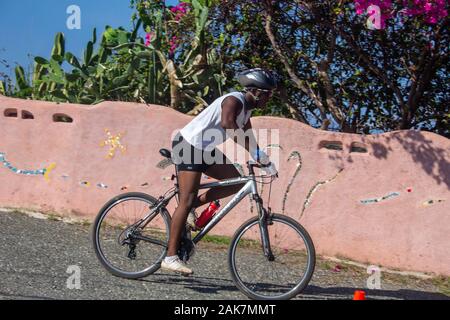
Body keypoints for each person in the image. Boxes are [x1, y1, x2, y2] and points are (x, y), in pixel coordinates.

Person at [161, 68, 278, 275]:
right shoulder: (234, 101)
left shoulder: (247, 110)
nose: (270, 98)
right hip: (188, 146)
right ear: (256, 92)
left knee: (238, 181)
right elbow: (228, 124)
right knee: (186, 200)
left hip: (204, 149)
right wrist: (257, 154)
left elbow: (248, 137)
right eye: (268, 94)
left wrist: (263, 158)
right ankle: (170, 257)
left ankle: (192, 206)